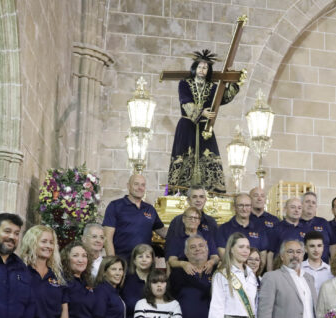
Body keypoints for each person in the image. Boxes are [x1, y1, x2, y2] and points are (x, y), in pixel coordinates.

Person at [168, 50, 240, 193]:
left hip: (205, 128)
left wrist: (232, 82)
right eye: (200, 67)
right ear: (195, 68)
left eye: (205, 68)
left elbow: (223, 98)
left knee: (209, 155)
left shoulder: (212, 87)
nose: (202, 70)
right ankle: (177, 191)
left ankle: (213, 193)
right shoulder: (185, 84)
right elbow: (185, 101)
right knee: (183, 156)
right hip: (187, 125)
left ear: (209, 70)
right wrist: (201, 113)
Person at [103, 173, 167, 260]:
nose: (140, 188)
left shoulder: (150, 209)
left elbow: (162, 231)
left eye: (143, 185)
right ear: (128, 186)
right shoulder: (115, 206)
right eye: (136, 184)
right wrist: (112, 262)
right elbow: (107, 238)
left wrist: (183, 231)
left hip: (144, 264)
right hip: (122, 263)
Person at [216, 193, 269, 259]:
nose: (244, 209)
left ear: (251, 207)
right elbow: (223, 255)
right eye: (240, 205)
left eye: (247, 205)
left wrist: (254, 269)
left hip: (254, 269)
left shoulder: (260, 229)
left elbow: (263, 257)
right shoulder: (223, 229)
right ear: (234, 207)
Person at [166, 206, 218, 273]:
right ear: (183, 219)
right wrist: (183, 264)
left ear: (199, 221)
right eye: (190, 218)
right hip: (183, 273)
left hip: (205, 271)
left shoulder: (207, 236)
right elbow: (172, 261)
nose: (193, 220)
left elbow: (215, 257)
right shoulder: (176, 238)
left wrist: (211, 262)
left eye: (196, 218)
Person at [267, 197, 306, 270]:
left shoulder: (306, 229)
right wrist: (270, 273)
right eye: (293, 207)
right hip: (280, 270)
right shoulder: (277, 228)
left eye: (299, 208)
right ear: (285, 209)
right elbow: (270, 254)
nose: (296, 210)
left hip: (300, 271)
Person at [301, 191, 336, 263]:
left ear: (316, 206)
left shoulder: (324, 223)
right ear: (301, 204)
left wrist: (335, 266)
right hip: (301, 269)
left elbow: (333, 247)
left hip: (323, 270)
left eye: (313, 203)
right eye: (307, 201)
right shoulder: (296, 223)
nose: (310, 204)